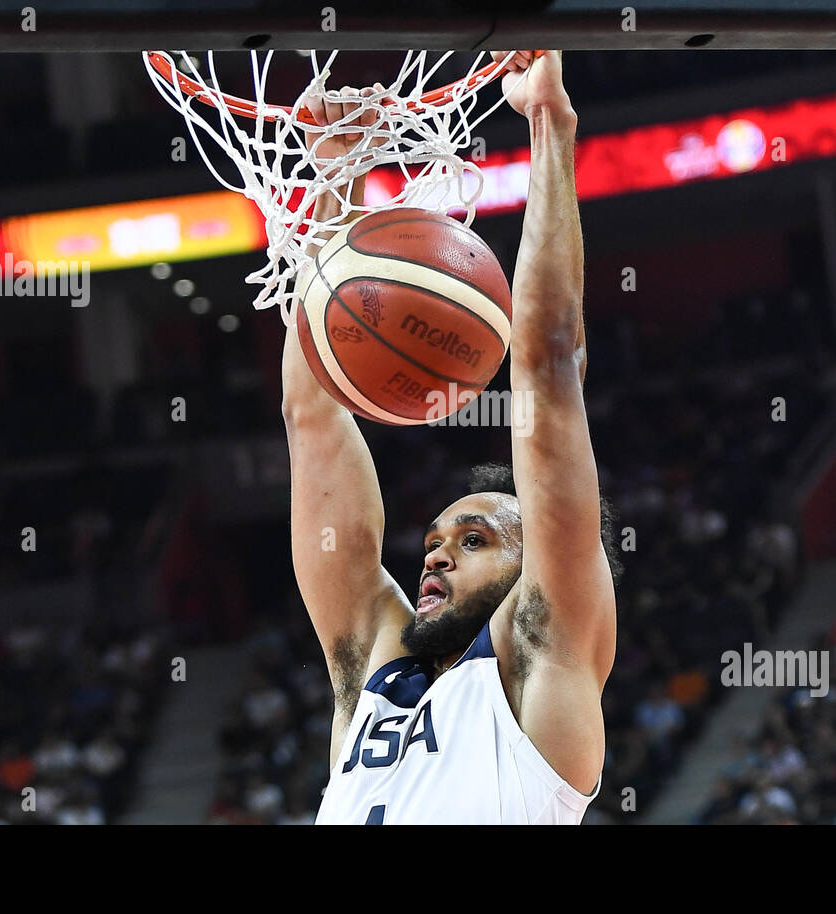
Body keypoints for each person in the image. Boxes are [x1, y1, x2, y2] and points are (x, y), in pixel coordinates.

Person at [281, 50, 621, 824]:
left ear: (539, 562)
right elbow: (313, 420)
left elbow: (547, 363)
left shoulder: (544, 661)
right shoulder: (374, 672)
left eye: (473, 540)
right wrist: (338, 175)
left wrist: (548, 126)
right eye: (436, 538)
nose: (434, 553)